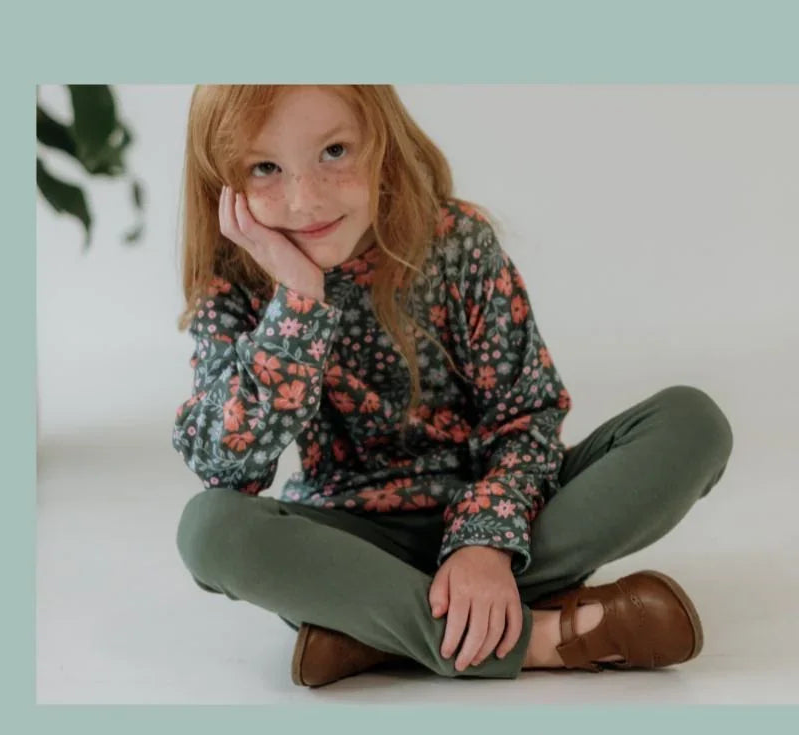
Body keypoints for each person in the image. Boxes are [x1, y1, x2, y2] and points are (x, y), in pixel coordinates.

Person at [172, 84, 733, 687]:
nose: (305, 200)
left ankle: (377, 629)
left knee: (691, 422)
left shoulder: (456, 242)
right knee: (209, 529)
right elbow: (227, 469)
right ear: (222, 182)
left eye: (334, 152)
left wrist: (483, 545)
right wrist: (298, 303)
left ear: (383, 141)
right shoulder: (235, 283)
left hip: (510, 513)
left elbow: (526, 418)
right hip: (352, 543)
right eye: (265, 168)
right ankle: (540, 638)